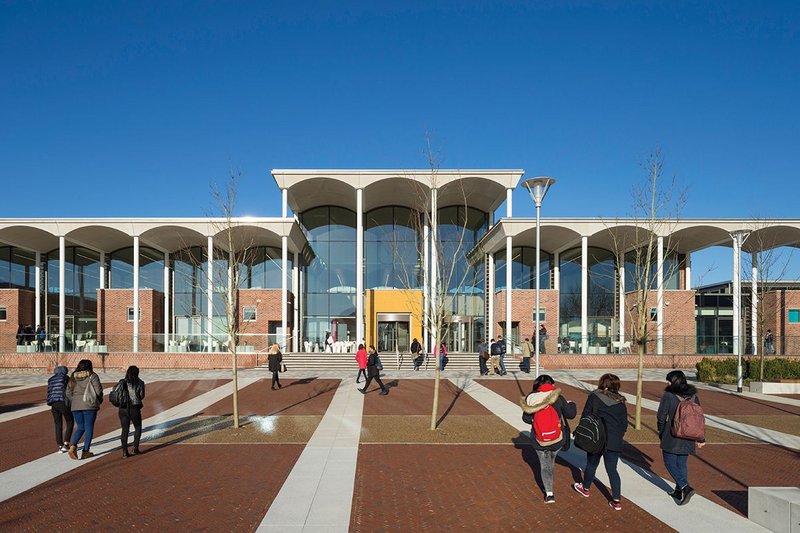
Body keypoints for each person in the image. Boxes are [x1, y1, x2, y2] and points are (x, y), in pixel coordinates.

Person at [572, 373, 628, 511]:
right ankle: (616, 500)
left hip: (597, 438)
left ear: (602, 383)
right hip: (614, 441)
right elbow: (624, 424)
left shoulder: (594, 396)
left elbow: (586, 415)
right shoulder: (621, 402)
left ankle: (585, 488)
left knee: (591, 464)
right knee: (612, 470)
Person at [520, 375, 577, 504]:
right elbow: (571, 415)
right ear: (551, 384)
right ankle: (549, 476)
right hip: (557, 439)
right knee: (551, 460)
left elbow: (526, 419)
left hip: (539, 439)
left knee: (545, 464)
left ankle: (549, 494)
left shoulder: (532, 398)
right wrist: (571, 404)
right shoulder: (558, 397)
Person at [657, 370, 705, 505]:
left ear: (674, 382)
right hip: (689, 435)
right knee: (681, 464)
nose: (667, 383)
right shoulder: (693, 395)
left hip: (672, 434)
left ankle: (685, 486)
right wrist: (701, 438)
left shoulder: (668, 395)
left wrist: (661, 431)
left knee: (669, 463)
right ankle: (679, 491)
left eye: (669, 381)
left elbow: (661, 416)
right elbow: (699, 418)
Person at [66, 359, 103, 460]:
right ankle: (85, 451)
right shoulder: (92, 376)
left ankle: (73, 446)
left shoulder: (73, 376)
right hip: (89, 404)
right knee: (89, 427)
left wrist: (75, 400)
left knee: (81, 427)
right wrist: (98, 400)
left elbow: (68, 392)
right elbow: (98, 391)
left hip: (75, 406)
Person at [119, 365, 146, 458]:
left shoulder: (122, 382)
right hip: (134, 407)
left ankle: (124, 452)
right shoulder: (140, 382)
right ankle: (135, 448)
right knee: (138, 427)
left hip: (122, 408)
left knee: (125, 429)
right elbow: (141, 396)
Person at [47, 366, 74, 453]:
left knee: (58, 424)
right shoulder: (66, 378)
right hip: (63, 401)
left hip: (53, 403)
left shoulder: (51, 379)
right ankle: (66, 443)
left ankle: (60, 445)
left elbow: (49, 391)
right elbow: (70, 390)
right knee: (70, 421)